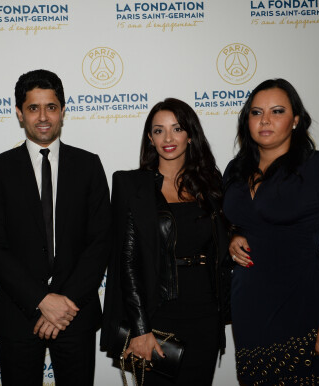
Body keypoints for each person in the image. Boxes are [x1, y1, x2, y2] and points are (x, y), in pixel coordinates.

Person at [0, 69, 111, 386]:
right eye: (33, 107)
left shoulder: (88, 165)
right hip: (18, 314)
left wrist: (63, 305)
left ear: (63, 110)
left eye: (51, 106)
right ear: (19, 113)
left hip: (75, 314)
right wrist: (41, 300)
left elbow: (101, 241)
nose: (43, 117)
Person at [223, 78, 319, 385]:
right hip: (249, 308)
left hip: (303, 307)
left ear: (296, 120)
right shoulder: (235, 169)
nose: (266, 120)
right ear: (248, 121)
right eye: (256, 112)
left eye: (277, 111)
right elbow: (234, 219)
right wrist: (233, 235)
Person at [101, 98, 232, 385]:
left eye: (177, 129)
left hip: (205, 315)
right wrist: (140, 328)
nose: (168, 138)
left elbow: (224, 241)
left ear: (190, 134)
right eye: (159, 130)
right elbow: (127, 261)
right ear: (150, 138)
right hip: (157, 317)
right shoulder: (132, 186)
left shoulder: (210, 184)